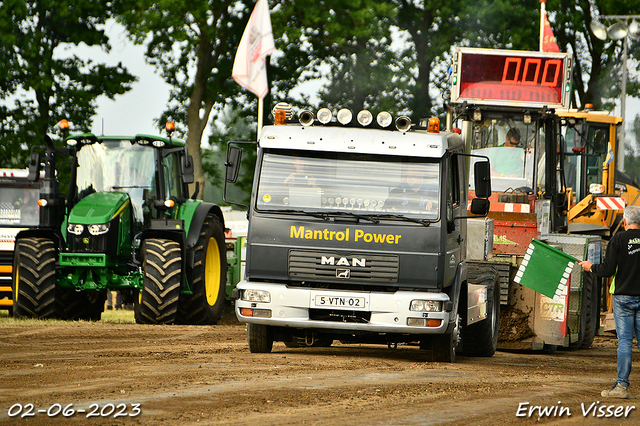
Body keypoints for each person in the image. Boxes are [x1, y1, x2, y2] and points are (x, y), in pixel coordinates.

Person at [578, 206, 640, 399]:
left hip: (623, 298)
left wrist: (590, 267)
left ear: (624, 222)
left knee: (624, 343)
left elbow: (606, 270)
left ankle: (621, 386)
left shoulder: (619, 240)